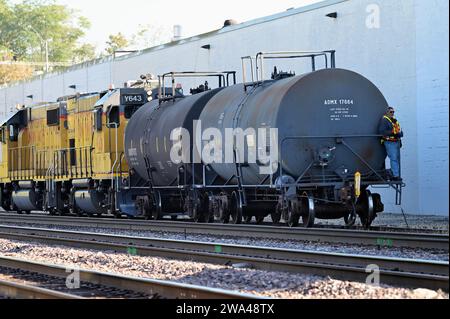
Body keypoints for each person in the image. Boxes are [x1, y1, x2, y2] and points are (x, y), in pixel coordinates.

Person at [378, 107, 403, 181]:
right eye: (391, 112)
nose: (392, 113)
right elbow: (382, 131)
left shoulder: (394, 121)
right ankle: (395, 176)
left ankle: (395, 174)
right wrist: (393, 133)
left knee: (396, 159)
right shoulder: (384, 120)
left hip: (396, 142)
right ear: (387, 112)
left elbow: (397, 131)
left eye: (393, 112)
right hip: (389, 142)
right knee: (394, 158)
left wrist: (399, 136)